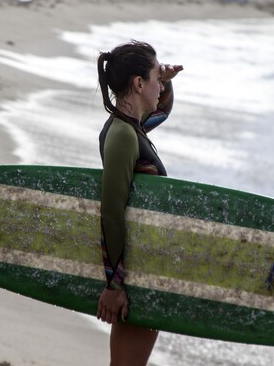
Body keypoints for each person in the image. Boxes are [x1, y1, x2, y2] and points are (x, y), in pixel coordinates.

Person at [96, 40, 183, 365]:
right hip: (133, 276)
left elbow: (160, 111)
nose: (160, 85)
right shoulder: (121, 135)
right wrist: (115, 285)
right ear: (138, 83)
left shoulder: (131, 128)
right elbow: (112, 211)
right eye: (155, 78)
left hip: (142, 270)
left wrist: (166, 81)